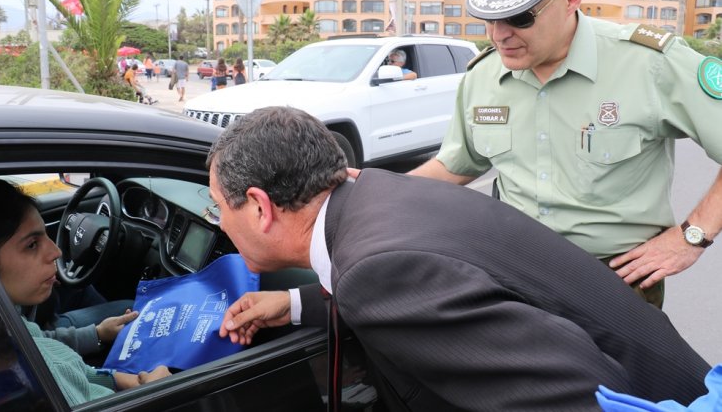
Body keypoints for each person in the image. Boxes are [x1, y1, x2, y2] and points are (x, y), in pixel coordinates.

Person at [209, 106, 709, 411]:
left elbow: (580, 397)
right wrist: (294, 305)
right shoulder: (381, 195)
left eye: (218, 207)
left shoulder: (379, 271)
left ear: (259, 206)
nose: (218, 222)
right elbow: (449, 288)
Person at [403, 0, 722, 308]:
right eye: (486, 17)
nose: (499, 35)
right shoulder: (482, 76)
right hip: (514, 277)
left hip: (615, 282)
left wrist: (692, 236)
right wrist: (367, 188)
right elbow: (455, 165)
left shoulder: (648, 64)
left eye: (519, 17)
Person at [0, 177, 170, 406]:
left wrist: (109, 363)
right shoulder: (28, 385)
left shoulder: (6, 320)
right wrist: (160, 397)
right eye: (32, 245)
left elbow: (40, 342)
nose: (56, 251)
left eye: (45, 236)